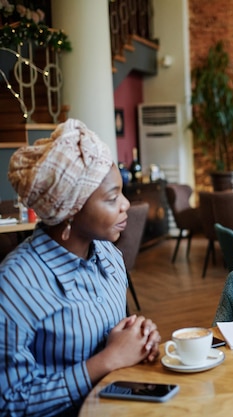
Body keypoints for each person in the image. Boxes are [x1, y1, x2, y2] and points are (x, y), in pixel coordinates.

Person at [0, 119, 161, 416]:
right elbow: (8, 401)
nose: (126, 205)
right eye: (112, 198)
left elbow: (114, 337)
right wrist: (107, 361)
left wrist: (137, 336)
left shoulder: (110, 257)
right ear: (69, 209)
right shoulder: (16, 284)